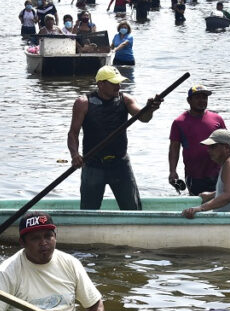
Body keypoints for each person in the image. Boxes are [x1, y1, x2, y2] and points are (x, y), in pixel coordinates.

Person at [67, 66, 161, 210]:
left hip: (120, 164)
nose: (118, 86)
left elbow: (143, 117)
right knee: (88, 211)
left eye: (119, 82)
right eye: (114, 83)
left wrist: (150, 109)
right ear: (100, 84)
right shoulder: (83, 103)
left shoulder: (126, 99)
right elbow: (73, 133)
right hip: (93, 164)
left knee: (132, 209)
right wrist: (74, 155)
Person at [182, 129, 230, 217]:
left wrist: (200, 208)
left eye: (213, 147)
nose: (208, 150)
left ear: (226, 147)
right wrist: (212, 195)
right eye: (208, 147)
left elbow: (229, 195)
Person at [169, 85, 227, 196]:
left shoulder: (217, 119)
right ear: (189, 100)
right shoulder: (179, 122)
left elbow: (227, 144)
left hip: (218, 172)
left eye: (204, 97)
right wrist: (172, 171)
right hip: (194, 175)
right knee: (197, 204)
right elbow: (174, 148)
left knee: (221, 201)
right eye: (197, 98)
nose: (202, 101)